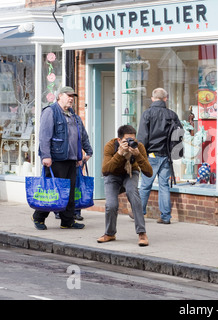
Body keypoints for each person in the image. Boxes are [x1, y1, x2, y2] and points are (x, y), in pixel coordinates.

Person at [32, 86, 93, 230]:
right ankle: (39, 218)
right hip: (56, 159)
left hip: (72, 159)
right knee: (53, 191)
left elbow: (82, 135)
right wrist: (46, 156)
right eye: (68, 95)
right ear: (59, 96)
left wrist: (87, 152)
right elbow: (44, 135)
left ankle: (67, 221)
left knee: (70, 191)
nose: (71, 98)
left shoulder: (73, 115)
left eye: (73, 96)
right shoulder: (50, 112)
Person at [97, 125, 153, 247]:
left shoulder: (139, 147)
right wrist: (119, 153)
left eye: (133, 139)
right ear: (119, 140)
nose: (130, 143)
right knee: (111, 205)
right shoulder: (110, 146)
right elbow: (105, 171)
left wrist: (138, 155)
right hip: (113, 176)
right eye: (127, 140)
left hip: (130, 174)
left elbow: (149, 173)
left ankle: (142, 233)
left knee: (133, 194)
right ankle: (110, 233)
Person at [137, 88, 182, 224]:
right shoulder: (172, 115)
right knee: (164, 186)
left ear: (152, 98)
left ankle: (139, 213)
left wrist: (139, 155)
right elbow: (179, 135)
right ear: (165, 99)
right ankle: (166, 216)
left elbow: (142, 137)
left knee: (145, 185)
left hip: (151, 155)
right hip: (166, 155)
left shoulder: (147, 114)